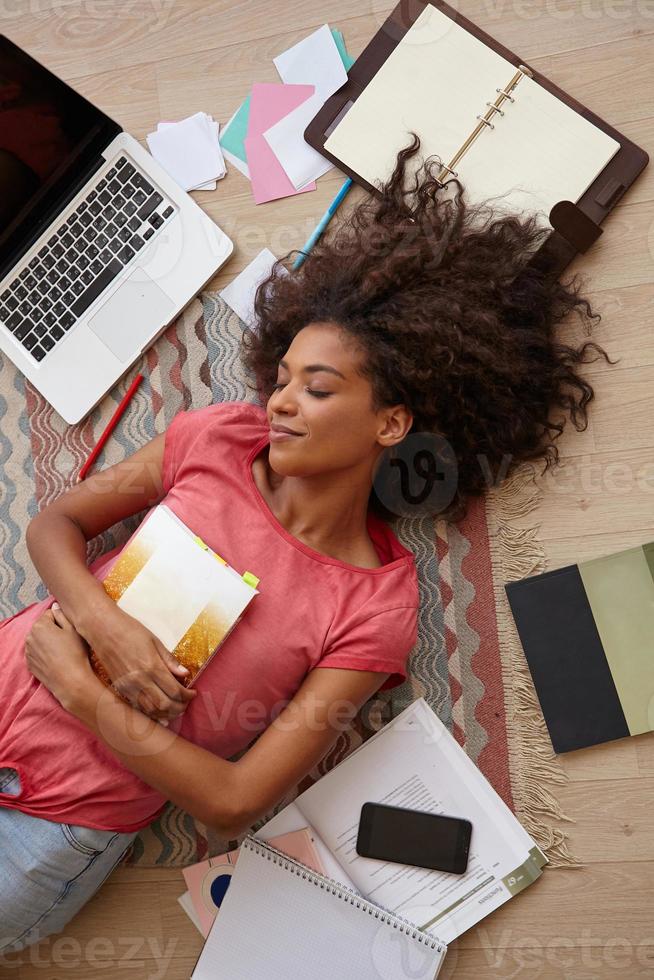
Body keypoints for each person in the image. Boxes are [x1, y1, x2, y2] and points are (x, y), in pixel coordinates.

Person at [0, 137, 610, 952]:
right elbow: (54, 524)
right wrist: (101, 624)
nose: (282, 401)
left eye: (317, 388)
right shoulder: (219, 438)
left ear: (391, 424)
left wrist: (86, 695)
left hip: (59, 820)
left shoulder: (375, 607)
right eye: (282, 377)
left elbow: (235, 798)